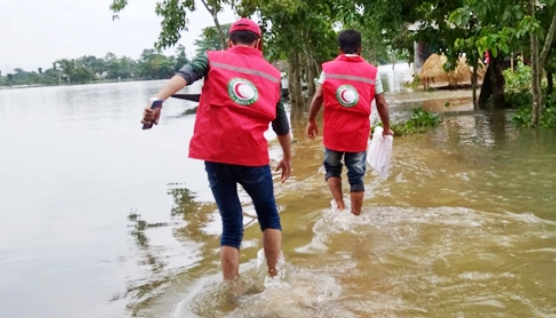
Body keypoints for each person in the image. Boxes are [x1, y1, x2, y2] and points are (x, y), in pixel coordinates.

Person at [140, 18, 291, 282]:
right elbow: (281, 122)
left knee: (231, 224)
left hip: (216, 154)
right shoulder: (272, 75)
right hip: (251, 155)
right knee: (268, 215)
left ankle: (231, 290)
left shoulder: (212, 59)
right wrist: (287, 157)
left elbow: (183, 77)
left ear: (229, 42)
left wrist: (158, 99)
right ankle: (274, 278)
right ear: (259, 43)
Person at [306, 29, 393, 216]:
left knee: (332, 169)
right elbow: (381, 103)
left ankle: (340, 205)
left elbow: (318, 96)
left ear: (339, 50)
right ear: (360, 48)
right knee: (356, 176)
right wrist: (386, 127)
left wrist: (311, 120)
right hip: (357, 134)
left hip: (334, 132)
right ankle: (355, 216)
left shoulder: (328, 69)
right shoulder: (372, 72)